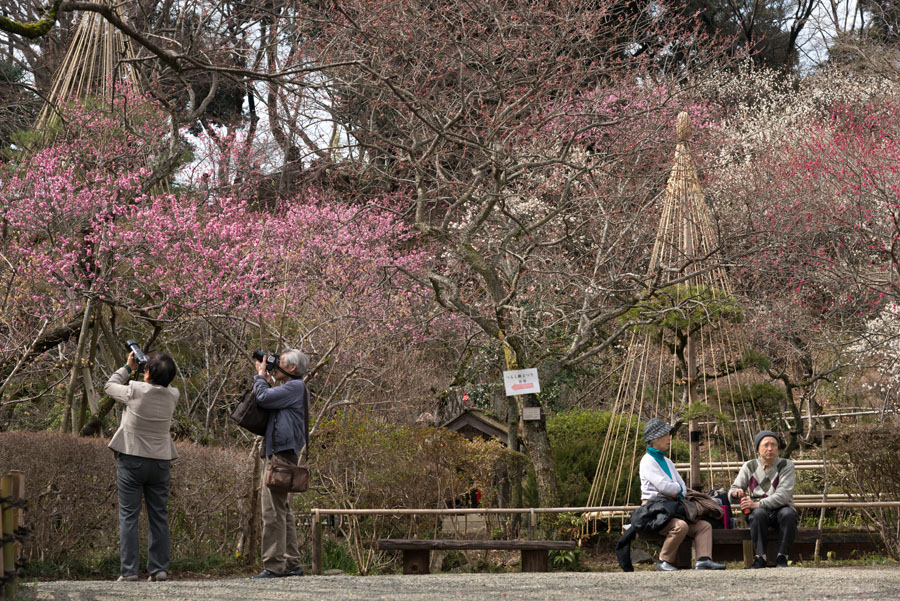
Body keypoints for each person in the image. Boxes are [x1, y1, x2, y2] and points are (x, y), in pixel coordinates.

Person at [104, 350, 179, 582]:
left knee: (129, 516)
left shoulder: (135, 390)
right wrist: (146, 370)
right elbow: (160, 384)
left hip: (133, 458)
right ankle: (159, 570)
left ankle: (129, 571)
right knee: (159, 515)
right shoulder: (173, 395)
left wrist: (128, 367)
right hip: (160, 462)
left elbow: (109, 385)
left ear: (147, 373)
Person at [251, 349, 309, 579]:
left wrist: (260, 375)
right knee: (282, 509)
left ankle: (274, 566)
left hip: (280, 455)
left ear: (292, 368)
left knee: (272, 511)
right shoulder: (292, 388)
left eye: (281, 361)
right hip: (283, 452)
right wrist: (266, 378)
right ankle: (292, 563)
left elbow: (262, 398)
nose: (277, 365)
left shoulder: (295, 387)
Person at [639, 417, 725, 571]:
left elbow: (682, 488)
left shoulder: (668, 462)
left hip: (673, 509)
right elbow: (664, 487)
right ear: (654, 439)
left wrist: (676, 489)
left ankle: (703, 559)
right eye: (664, 435)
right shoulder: (647, 461)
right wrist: (676, 489)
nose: (668, 438)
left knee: (704, 526)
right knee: (680, 526)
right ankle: (664, 560)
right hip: (655, 511)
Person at [729, 430, 797, 568]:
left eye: (773, 445)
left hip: (780, 508)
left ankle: (782, 557)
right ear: (757, 449)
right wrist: (735, 493)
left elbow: (783, 495)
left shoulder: (786, 465)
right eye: (766, 445)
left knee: (788, 514)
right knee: (758, 515)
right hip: (758, 511)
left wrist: (757, 504)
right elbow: (733, 489)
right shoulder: (749, 466)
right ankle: (760, 557)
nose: (770, 448)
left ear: (778, 448)